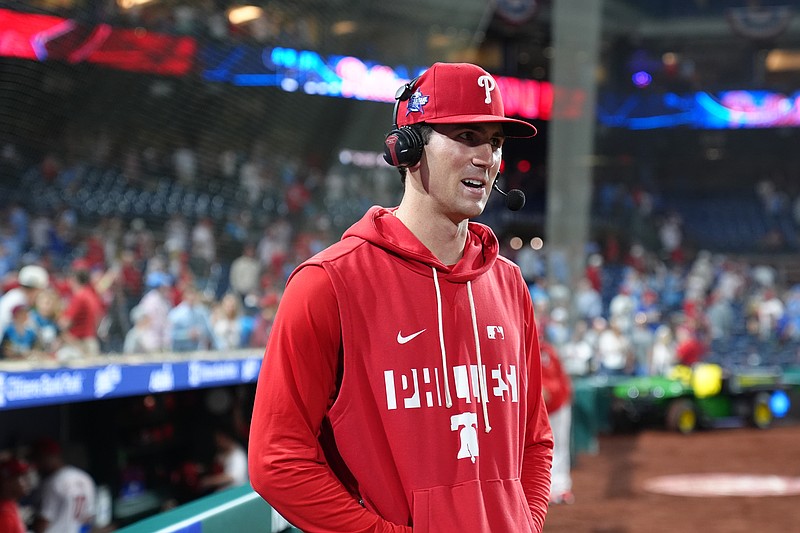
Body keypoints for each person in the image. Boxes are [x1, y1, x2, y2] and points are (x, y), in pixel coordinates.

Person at [248, 62, 553, 532]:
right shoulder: (327, 282)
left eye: (494, 141)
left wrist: (525, 523)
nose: (486, 158)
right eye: (467, 136)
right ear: (407, 148)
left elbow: (535, 439)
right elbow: (277, 460)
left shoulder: (509, 283)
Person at [29, 439, 96, 533]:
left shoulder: (52, 483)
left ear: (50, 456)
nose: (37, 465)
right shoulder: (84, 477)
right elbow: (89, 518)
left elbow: (42, 523)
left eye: (38, 459)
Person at [539, 340, 574, 505]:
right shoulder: (518, 348)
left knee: (560, 446)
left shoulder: (550, 350)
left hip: (559, 404)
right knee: (539, 450)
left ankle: (561, 488)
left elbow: (562, 376)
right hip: (538, 408)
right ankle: (544, 491)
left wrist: (566, 395)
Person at [0, 456, 30, 533]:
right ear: (7, 482)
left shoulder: (11, 505)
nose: (27, 481)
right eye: (21, 477)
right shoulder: (4, 514)